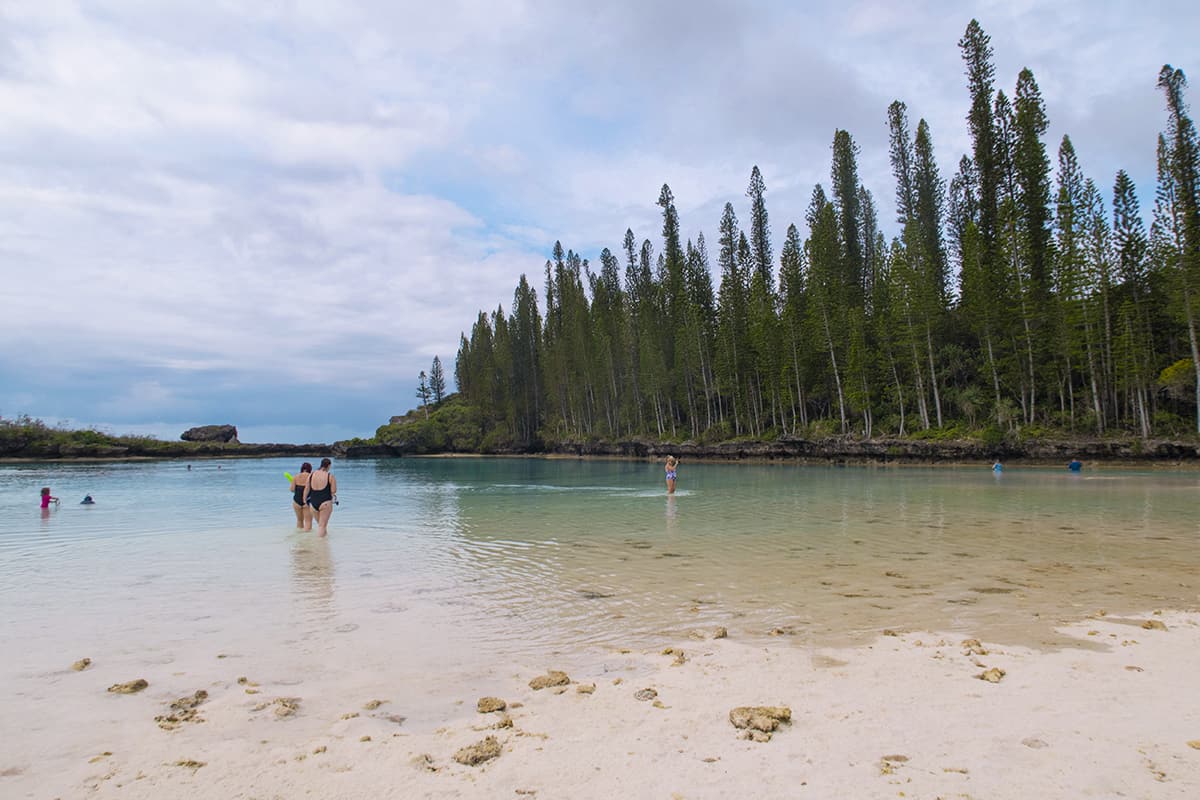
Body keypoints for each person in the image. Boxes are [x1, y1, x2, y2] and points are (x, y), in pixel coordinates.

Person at [303, 458, 337, 537]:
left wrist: (304, 500)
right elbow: (333, 491)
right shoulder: (330, 476)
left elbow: (307, 488)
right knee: (322, 526)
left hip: (313, 503)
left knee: (321, 525)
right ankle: (320, 546)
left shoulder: (311, 474)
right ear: (328, 466)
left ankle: (324, 543)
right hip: (325, 502)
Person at [290, 462, 313, 531]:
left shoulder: (296, 476)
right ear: (310, 469)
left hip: (296, 500)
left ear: (302, 469)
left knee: (299, 521)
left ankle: (299, 539)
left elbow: (292, 489)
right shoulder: (311, 476)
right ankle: (307, 539)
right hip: (307, 500)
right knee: (308, 521)